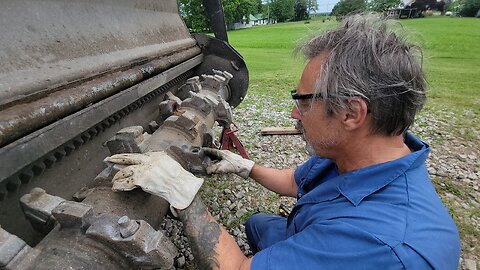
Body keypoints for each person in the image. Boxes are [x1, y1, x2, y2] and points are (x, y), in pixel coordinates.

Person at [107, 14, 461, 269]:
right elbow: (297, 181)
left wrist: (182, 194)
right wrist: (245, 167)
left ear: (353, 113)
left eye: (303, 101)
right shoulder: (363, 152)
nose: (295, 114)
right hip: (316, 229)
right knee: (256, 223)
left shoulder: (375, 244)